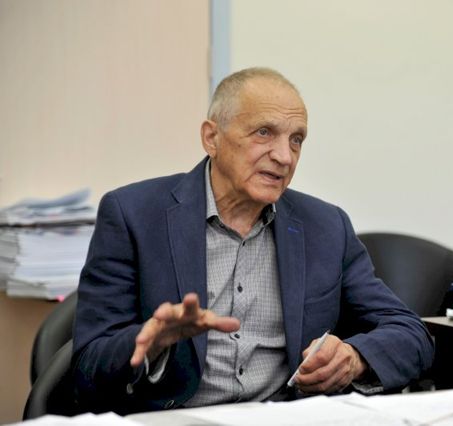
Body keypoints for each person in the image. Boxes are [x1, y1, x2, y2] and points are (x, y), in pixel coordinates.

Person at [72, 67, 433, 414]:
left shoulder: (326, 227)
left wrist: (355, 358)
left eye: (296, 140)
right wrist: (151, 344)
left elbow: (412, 335)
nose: (284, 156)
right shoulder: (134, 215)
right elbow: (87, 365)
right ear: (211, 138)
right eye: (264, 132)